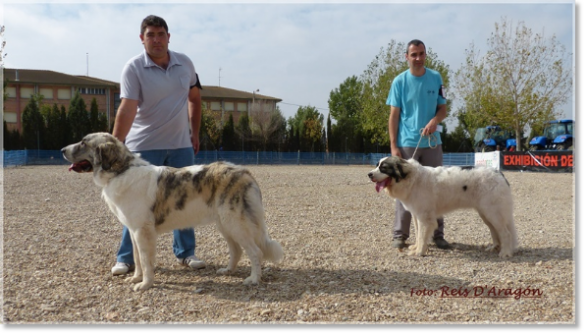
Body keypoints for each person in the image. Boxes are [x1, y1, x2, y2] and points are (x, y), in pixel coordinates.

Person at [110, 15, 205, 275]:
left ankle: (186, 253)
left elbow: (195, 98)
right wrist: (115, 145)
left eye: (160, 34)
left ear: (168, 37)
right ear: (142, 39)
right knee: (135, 204)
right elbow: (127, 108)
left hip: (180, 146)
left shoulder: (185, 63)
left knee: (184, 200)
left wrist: (194, 132)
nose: (156, 39)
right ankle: (126, 258)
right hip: (144, 147)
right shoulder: (133, 68)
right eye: (150, 35)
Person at [386, 39, 450, 250]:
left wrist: (434, 121)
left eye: (421, 54)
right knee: (403, 188)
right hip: (407, 144)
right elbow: (394, 116)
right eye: (414, 54)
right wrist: (394, 146)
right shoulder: (399, 82)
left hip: (432, 143)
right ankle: (400, 235)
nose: (418, 58)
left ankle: (437, 235)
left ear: (425, 55)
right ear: (407, 57)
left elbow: (443, 109)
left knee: (437, 188)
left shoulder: (436, 78)